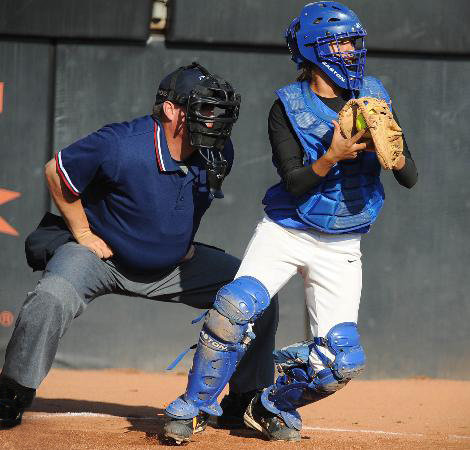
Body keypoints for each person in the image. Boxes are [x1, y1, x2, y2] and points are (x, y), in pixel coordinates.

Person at [163, 2, 418, 444]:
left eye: (354, 41)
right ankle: (193, 406)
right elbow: (295, 181)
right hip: (287, 230)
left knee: (342, 362)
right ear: (311, 49)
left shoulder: (373, 95)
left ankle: (268, 404)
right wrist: (333, 156)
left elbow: (410, 177)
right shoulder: (287, 105)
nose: (351, 50)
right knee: (233, 311)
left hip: (342, 244)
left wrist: (393, 155)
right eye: (340, 42)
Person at [0, 62, 279, 436]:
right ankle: (11, 392)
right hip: (102, 257)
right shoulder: (122, 144)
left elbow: (192, 202)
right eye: (205, 109)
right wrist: (82, 233)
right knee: (51, 296)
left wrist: (181, 243)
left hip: (172, 268)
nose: (215, 120)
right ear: (171, 109)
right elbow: (55, 171)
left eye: (221, 111)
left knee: (257, 293)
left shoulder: (218, 151)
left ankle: (243, 400)